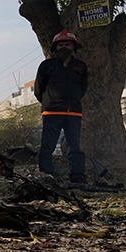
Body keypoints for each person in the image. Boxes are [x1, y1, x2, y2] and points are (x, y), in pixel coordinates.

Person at [34, 30, 88, 183]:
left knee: (74, 146)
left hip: (74, 112)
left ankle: (78, 177)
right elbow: (39, 88)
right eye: (60, 45)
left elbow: (83, 88)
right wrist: (48, 102)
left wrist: (73, 100)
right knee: (47, 146)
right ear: (55, 48)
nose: (64, 47)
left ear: (74, 47)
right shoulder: (46, 66)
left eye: (67, 44)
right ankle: (47, 176)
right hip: (51, 111)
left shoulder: (81, 66)